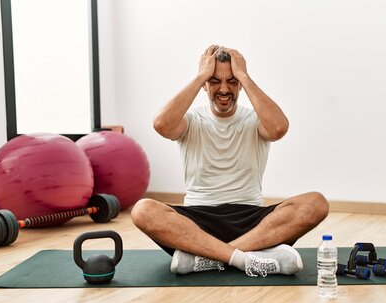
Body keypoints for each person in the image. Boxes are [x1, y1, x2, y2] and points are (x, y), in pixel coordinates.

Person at [132, 45, 329, 277]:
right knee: (142, 210)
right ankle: (244, 258)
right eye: (214, 81)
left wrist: (244, 75)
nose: (224, 89)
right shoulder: (191, 121)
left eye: (232, 81)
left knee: (316, 203)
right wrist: (200, 75)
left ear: (241, 85)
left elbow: (279, 128)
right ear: (204, 84)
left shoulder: (256, 120)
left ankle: (207, 258)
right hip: (197, 223)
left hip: (252, 223)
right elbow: (161, 125)